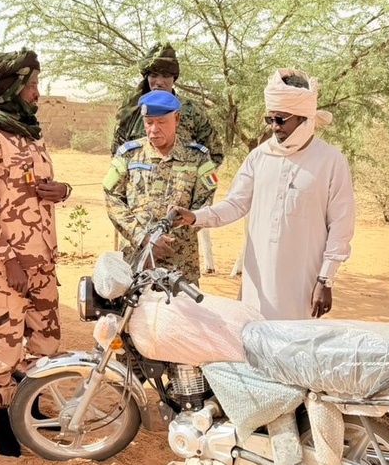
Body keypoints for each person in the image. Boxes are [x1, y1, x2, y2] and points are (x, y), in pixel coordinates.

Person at [172, 69, 355, 320]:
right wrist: (195, 217)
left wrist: (326, 279)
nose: (274, 127)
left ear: (304, 118)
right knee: (253, 345)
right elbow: (235, 204)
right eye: (270, 120)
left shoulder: (331, 161)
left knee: (294, 349)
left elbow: (341, 225)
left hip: (303, 283)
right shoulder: (259, 156)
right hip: (258, 283)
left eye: (281, 120)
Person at [0, 49, 70, 457]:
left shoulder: (30, 133)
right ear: (10, 88)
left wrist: (62, 191)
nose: (37, 93)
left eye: (37, 84)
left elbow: (40, 187)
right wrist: (9, 259)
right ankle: (3, 422)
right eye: (31, 85)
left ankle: (34, 409)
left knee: (46, 343)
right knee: (5, 346)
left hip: (42, 260)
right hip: (6, 266)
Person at [105, 90, 219, 285]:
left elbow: (204, 205)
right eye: (149, 122)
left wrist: (170, 236)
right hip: (135, 263)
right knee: (133, 315)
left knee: (183, 315)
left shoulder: (198, 157)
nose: (154, 129)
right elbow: (112, 198)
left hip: (180, 266)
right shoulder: (128, 154)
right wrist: (144, 238)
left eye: (161, 122)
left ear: (176, 118)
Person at [111, 43, 222, 166]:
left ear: (173, 78)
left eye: (166, 76)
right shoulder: (132, 110)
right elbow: (117, 155)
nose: (159, 82)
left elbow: (214, 154)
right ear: (146, 78)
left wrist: (191, 178)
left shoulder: (192, 110)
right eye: (153, 75)